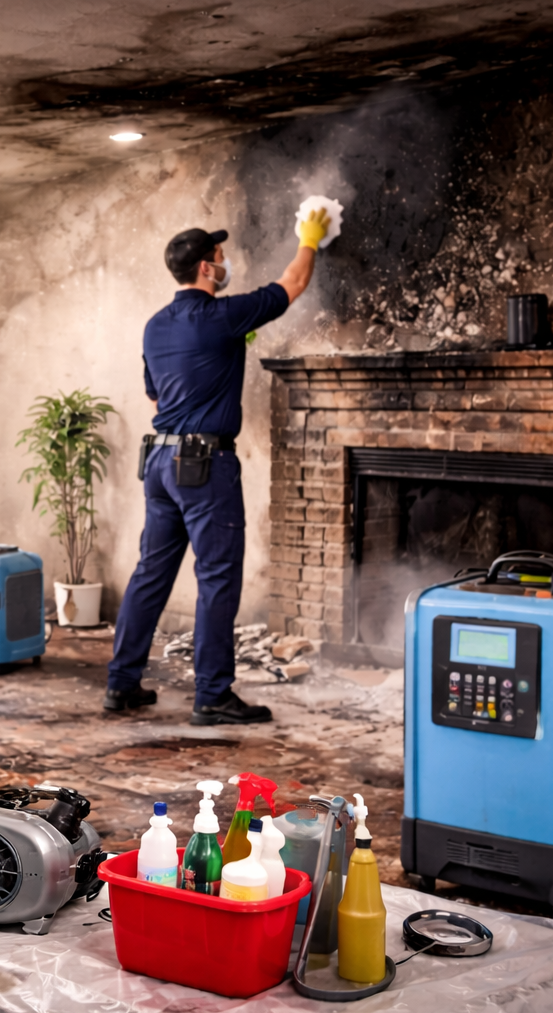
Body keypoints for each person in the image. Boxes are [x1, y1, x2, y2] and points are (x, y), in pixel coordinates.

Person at [104, 209, 332, 725]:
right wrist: (309, 238)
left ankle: (121, 683)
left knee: (151, 574)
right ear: (207, 269)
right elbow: (293, 282)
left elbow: (154, 392)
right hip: (205, 467)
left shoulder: (155, 325)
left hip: (161, 462)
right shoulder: (223, 316)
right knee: (217, 579)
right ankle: (213, 695)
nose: (225, 264)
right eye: (221, 257)